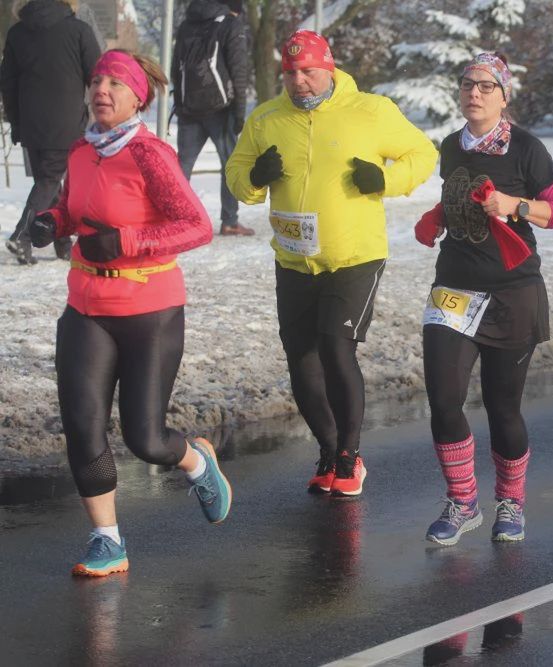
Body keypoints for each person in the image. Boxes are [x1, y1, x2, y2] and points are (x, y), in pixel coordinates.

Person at [28, 49, 230, 576]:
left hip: (150, 311)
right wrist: (52, 220)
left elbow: (197, 226)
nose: (102, 89)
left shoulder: (150, 154)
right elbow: (74, 207)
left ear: (138, 97)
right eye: (97, 80)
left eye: (116, 83)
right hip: (86, 307)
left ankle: (195, 460)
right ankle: (106, 539)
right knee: (83, 426)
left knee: (145, 439)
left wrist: (127, 240)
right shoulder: (81, 150)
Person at [226, 31, 436, 496]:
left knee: (336, 349)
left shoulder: (371, 110)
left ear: (329, 67)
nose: (299, 81)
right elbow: (237, 174)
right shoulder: (266, 117)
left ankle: (349, 455)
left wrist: (385, 177)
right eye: (290, 73)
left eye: (308, 71)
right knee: (301, 358)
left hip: (354, 255)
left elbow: (423, 154)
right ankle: (327, 448)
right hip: (293, 257)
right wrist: (254, 178)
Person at [415, 52, 553, 546]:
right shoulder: (450, 146)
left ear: (504, 96)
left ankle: (511, 501)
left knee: (503, 407)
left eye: (486, 86)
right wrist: (438, 216)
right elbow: (457, 192)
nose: (474, 93)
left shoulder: (526, 149)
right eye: (467, 84)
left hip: (512, 292)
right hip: (455, 288)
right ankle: (463, 503)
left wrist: (515, 205)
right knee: (443, 398)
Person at [0, 0, 100, 264]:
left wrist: (16, 122)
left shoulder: (17, 32)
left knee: (50, 182)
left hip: (30, 121)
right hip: (66, 120)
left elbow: (7, 83)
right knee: (49, 181)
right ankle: (22, 235)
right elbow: (98, 77)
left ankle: (62, 243)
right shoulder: (79, 30)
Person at [172, 0, 252, 236]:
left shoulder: (187, 23)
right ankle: (229, 221)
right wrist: (239, 113)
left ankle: (174, 220)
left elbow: (177, 67)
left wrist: (180, 105)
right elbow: (239, 71)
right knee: (230, 165)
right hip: (221, 109)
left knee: (181, 168)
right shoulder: (231, 24)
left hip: (190, 109)